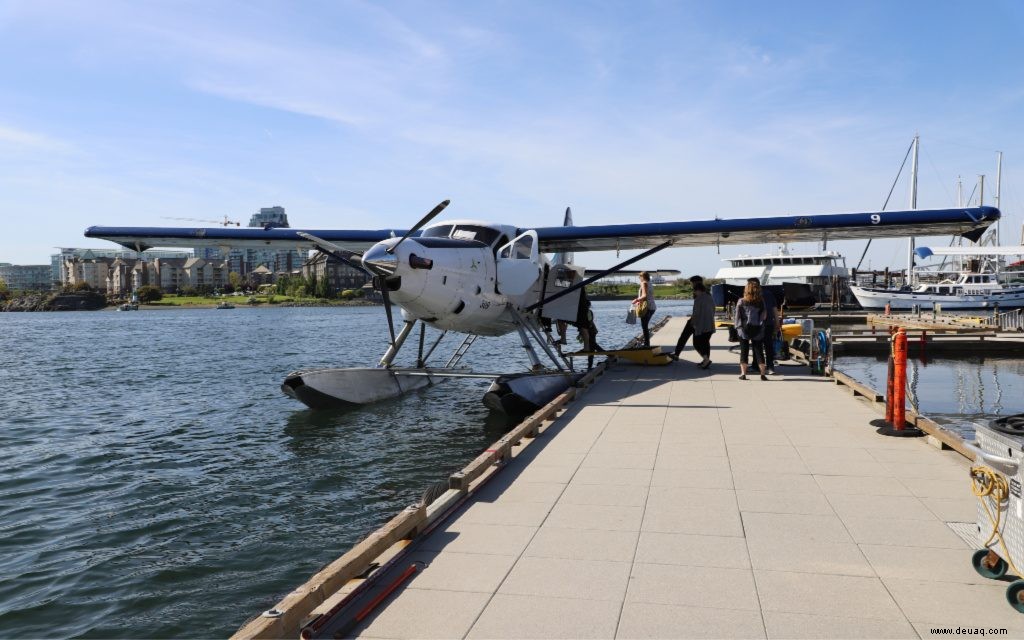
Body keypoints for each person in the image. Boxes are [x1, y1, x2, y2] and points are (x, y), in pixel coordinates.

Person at [734, 280, 769, 381]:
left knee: (744, 351)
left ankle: (743, 374)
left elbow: (737, 317)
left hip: (743, 329)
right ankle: (762, 374)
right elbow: (764, 316)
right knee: (759, 351)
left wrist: (737, 327)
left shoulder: (741, 301)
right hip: (757, 328)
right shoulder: (761, 301)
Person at [748, 278, 779, 374]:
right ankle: (770, 367)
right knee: (768, 346)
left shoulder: (751, 295)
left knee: (757, 346)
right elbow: (774, 309)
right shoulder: (768, 293)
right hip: (768, 323)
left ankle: (756, 366)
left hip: (756, 324)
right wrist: (777, 322)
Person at [672, 275, 702, 359]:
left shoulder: (698, 292)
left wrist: (693, 319)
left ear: (696, 282)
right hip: (698, 319)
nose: (691, 285)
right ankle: (676, 354)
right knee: (697, 341)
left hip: (695, 320)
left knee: (685, 338)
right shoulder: (705, 293)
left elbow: (697, 307)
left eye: (692, 283)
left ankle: (676, 354)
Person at [690, 279, 716, 369]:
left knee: (696, 343)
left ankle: (706, 359)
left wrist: (693, 323)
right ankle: (705, 361)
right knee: (705, 343)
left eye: (695, 291)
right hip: (710, 324)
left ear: (698, 290)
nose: (694, 293)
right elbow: (714, 309)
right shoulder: (710, 297)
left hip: (701, 325)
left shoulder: (698, 299)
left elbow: (696, 313)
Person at [633, 271, 656, 347]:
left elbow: (644, 296)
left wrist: (636, 300)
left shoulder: (644, 283)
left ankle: (647, 344)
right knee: (645, 325)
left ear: (642, 277)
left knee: (644, 326)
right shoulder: (650, 283)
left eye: (640, 277)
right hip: (652, 307)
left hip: (646, 307)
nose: (639, 279)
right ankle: (647, 343)